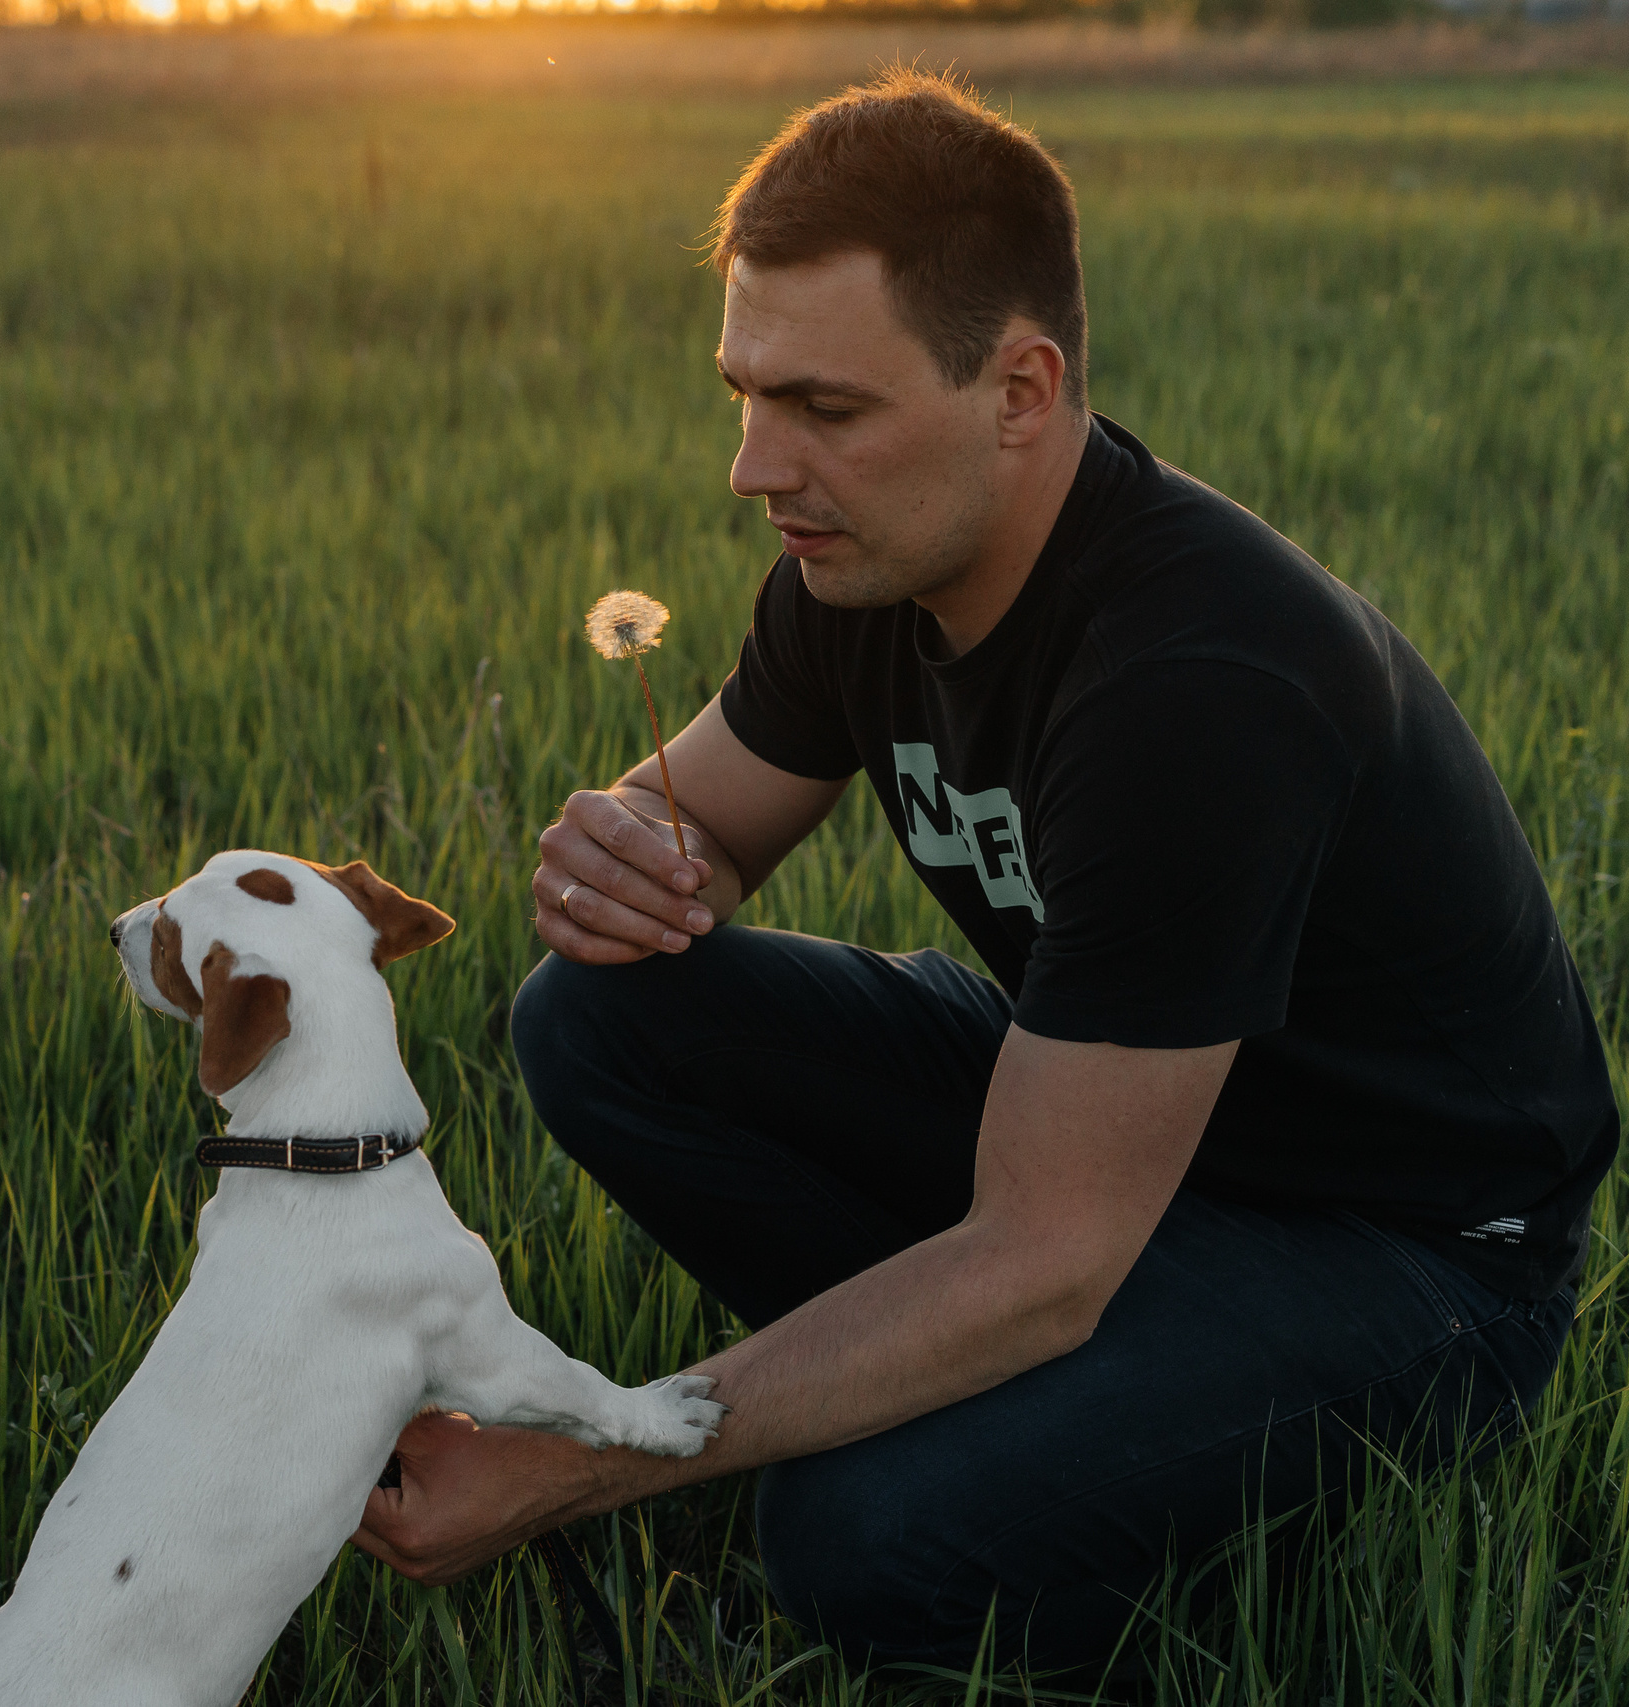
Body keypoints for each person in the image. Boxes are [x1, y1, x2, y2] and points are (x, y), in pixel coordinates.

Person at [354, 71, 1616, 1674]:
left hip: (1404, 1253)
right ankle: (986, 1409)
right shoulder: (861, 569)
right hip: (1110, 1138)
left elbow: (1043, 1256)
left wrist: (589, 1451)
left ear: (1021, 388)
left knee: (858, 1540)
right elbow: (711, 825)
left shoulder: (1202, 682)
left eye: (826, 407)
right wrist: (629, 853)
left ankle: (1058, 1469)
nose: (754, 466)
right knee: (595, 1021)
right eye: (743, 392)